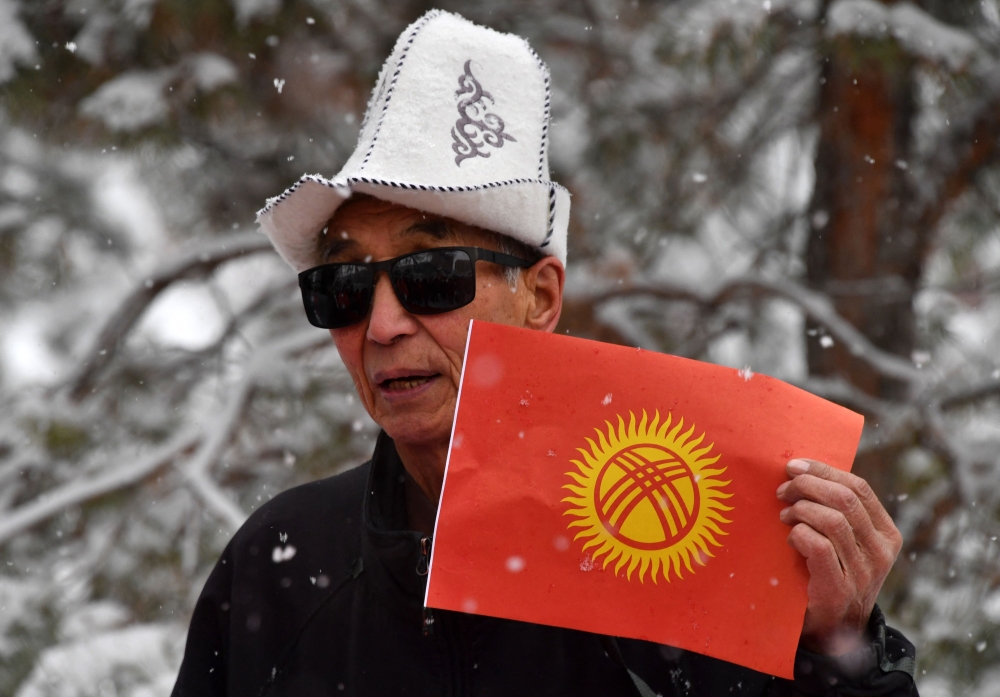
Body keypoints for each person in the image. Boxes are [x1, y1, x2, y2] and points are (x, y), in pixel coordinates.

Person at [172, 10, 918, 696]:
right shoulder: (282, 561)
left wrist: (838, 655)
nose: (382, 323)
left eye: (432, 276)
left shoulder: (698, 551)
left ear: (540, 296)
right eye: (341, 287)